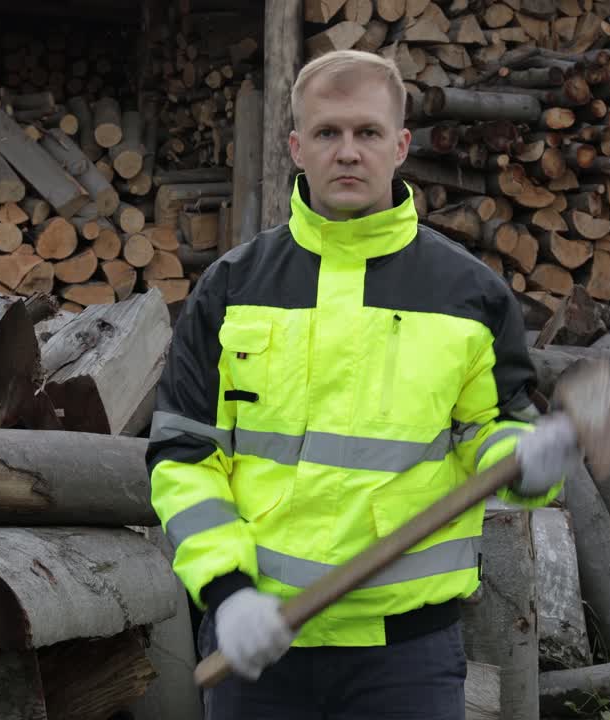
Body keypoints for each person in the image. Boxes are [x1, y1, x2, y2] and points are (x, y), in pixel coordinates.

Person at [146, 49, 580, 719]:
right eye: (327, 133)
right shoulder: (231, 289)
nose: (348, 152)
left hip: (405, 658)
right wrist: (226, 591)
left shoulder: (468, 295)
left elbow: (491, 433)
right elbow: (185, 457)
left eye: (367, 133)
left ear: (401, 144)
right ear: (295, 146)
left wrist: (524, 464)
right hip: (257, 645)